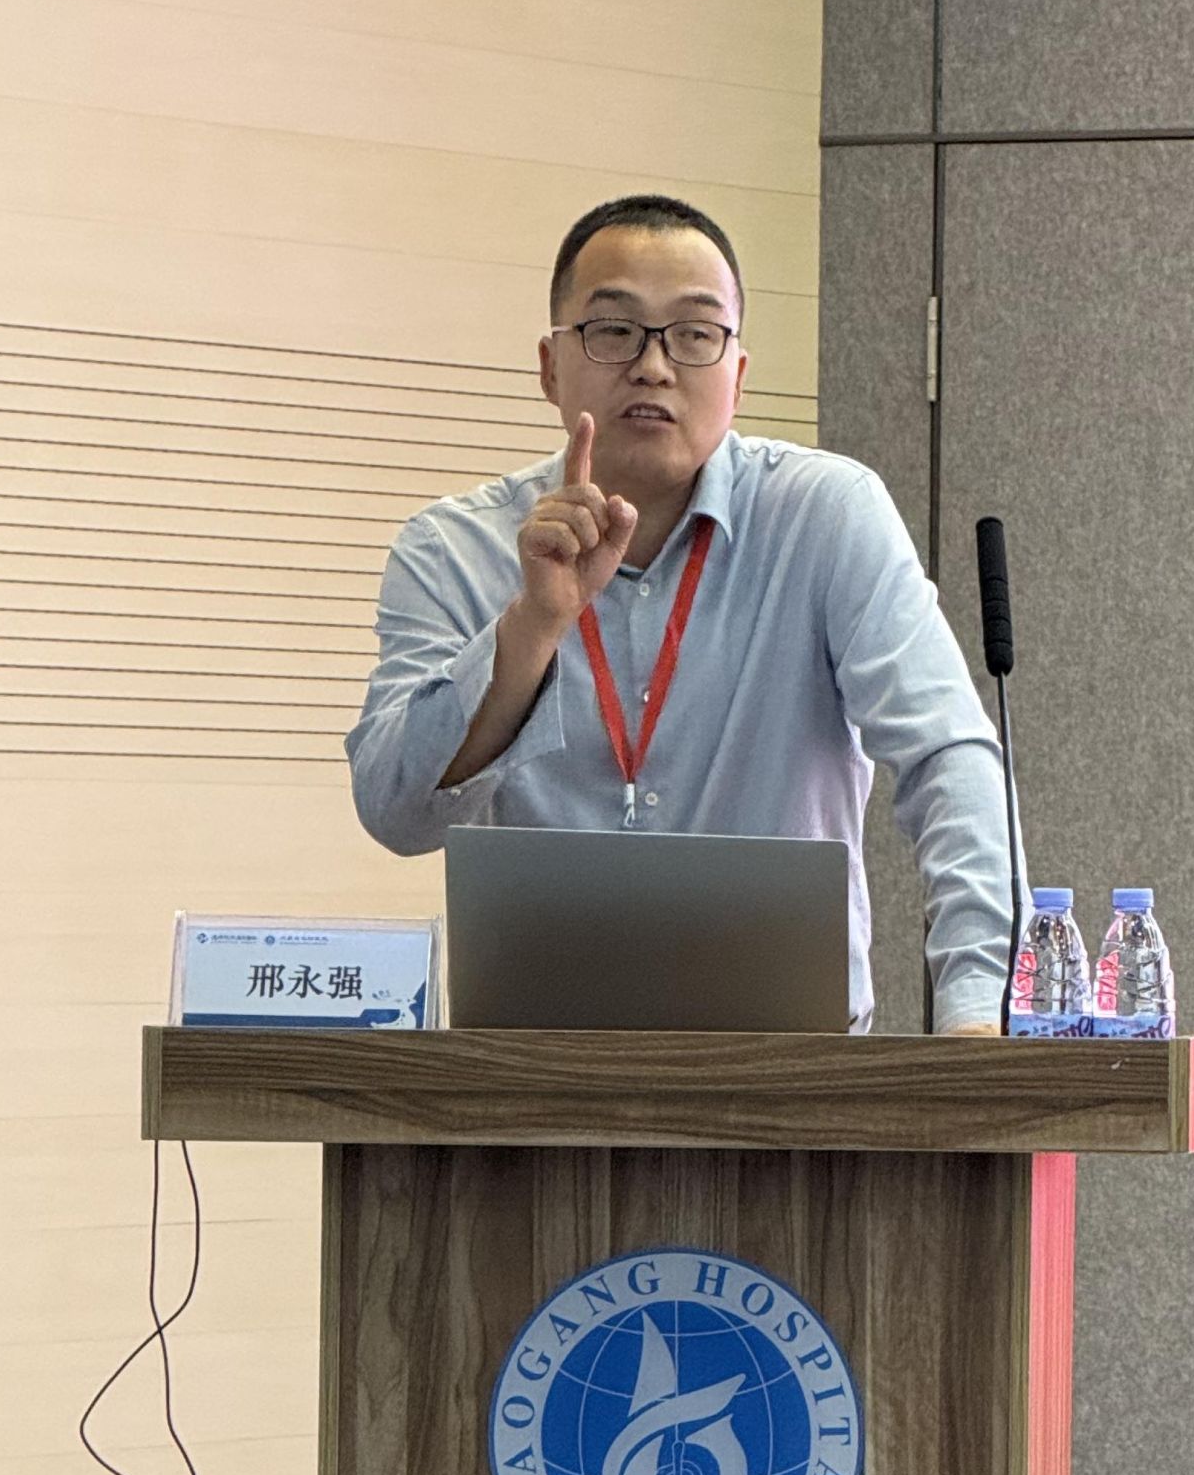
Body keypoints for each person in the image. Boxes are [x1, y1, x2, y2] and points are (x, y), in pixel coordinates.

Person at [345, 191, 1011, 1033]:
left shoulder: (826, 516)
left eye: (695, 334)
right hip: (536, 1074)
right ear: (550, 365)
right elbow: (395, 813)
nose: (654, 366)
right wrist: (529, 629)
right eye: (614, 330)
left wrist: (977, 1011)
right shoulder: (452, 549)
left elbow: (947, 756)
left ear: (738, 375)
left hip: (789, 1068)